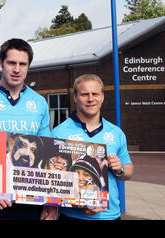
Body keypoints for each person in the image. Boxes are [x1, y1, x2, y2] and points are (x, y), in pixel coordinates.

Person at [0, 38, 56, 220]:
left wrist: (51, 202)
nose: (17, 69)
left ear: (28, 66)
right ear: (1, 63)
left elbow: (46, 152)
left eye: (22, 64)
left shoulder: (39, 103)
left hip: (30, 197)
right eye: (11, 63)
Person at [52, 74, 133, 220]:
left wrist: (120, 169)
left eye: (95, 94)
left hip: (110, 215)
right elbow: (52, 178)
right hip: (71, 215)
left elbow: (128, 172)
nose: (91, 99)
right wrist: (77, 202)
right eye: (84, 94)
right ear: (75, 97)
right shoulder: (59, 132)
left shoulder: (116, 133)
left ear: (102, 97)